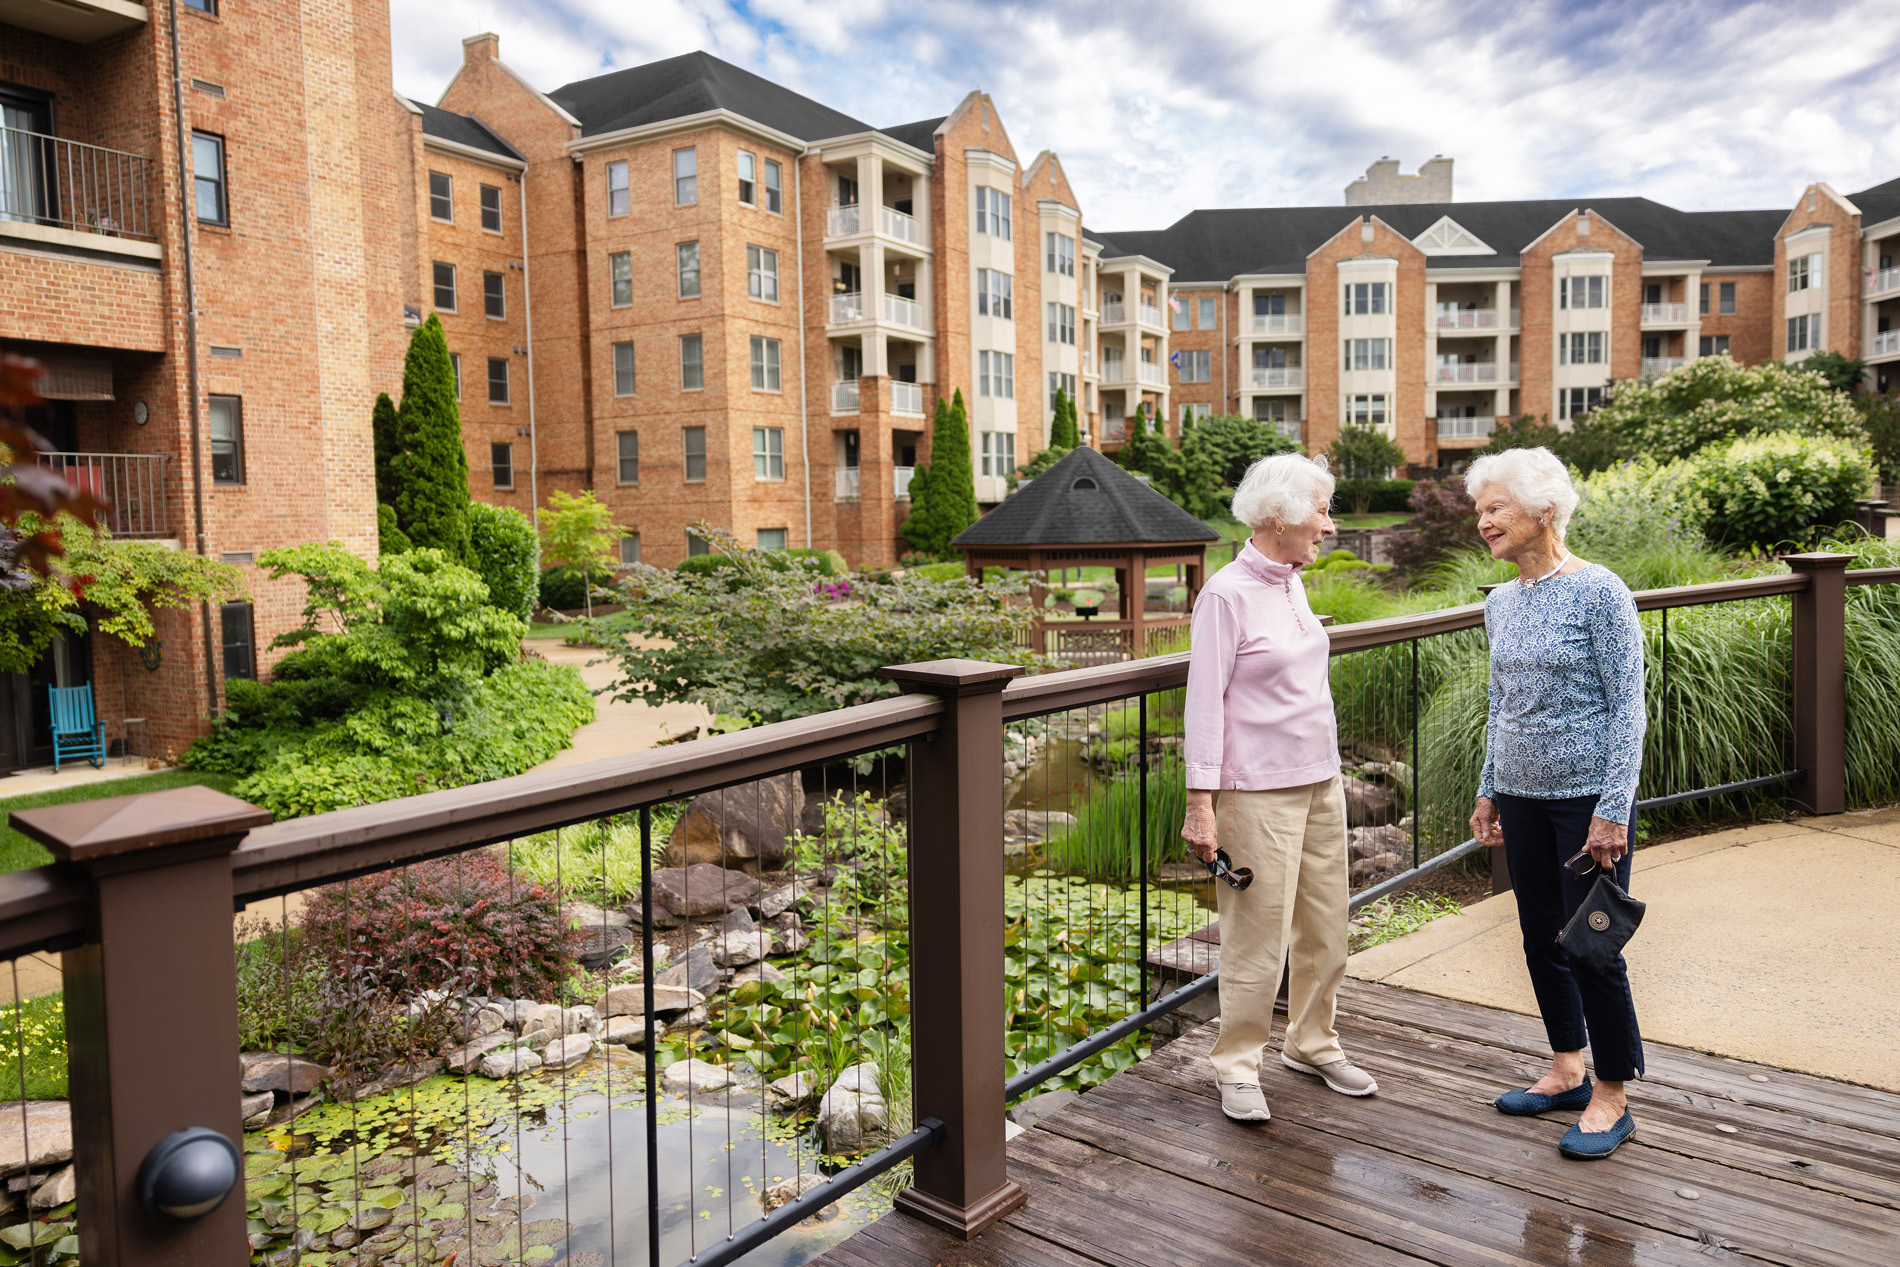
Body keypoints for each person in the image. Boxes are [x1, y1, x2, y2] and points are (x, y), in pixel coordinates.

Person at [1181, 452, 1377, 1123]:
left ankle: (1313, 1041)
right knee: (1256, 936)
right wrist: (1200, 805)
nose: (1329, 525)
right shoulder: (1226, 595)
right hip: (1256, 792)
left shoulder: (1293, 580)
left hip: (1321, 781)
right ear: (1279, 517)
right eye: (1321, 511)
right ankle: (1237, 1064)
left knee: (1327, 924)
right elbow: (1204, 705)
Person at [1464, 447, 1646, 1161]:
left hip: (1584, 803)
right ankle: (1568, 1067)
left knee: (1594, 944)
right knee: (1541, 934)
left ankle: (1613, 1091)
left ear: (1544, 511)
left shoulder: (1600, 590)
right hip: (1521, 795)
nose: (1484, 522)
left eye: (1495, 508)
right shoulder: (1500, 601)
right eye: (1480, 511)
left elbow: (1629, 708)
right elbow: (1499, 701)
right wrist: (1487, 785)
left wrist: (1613, 807)